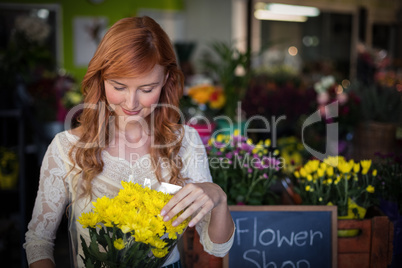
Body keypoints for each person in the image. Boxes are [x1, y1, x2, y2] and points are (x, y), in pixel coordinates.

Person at [24, 16, 235, 268]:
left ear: (167, 79)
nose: (131, 103)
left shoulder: (185, 142)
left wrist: (219, 198)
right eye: (119, 86)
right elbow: (39, 240)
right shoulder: (65, 147)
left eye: (147, 89)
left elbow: (216, 245)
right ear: (100, 79)